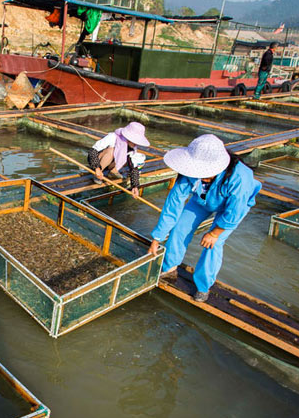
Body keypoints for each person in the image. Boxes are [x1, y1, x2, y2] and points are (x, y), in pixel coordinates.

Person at [148, 134, 262, 302]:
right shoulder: (189, 173)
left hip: (230, 210)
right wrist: (157, 238)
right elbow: (173, 205)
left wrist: (215, 233)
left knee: (213, 244)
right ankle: (170, 266)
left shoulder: (240, 177)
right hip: (202, 199)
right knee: (180, 228)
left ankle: (203, 286)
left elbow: (235, 212)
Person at [87, 121, 150, 197]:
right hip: (99, 162)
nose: (136, 143)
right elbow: (93, 151)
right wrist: (97, 168)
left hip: (112, 164)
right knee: (112, 150)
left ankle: (113, 171)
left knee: (130, 157)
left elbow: (134, 168)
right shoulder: (113, 137)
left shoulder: (132, 147)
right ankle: (98, 173)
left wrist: (135, 186)